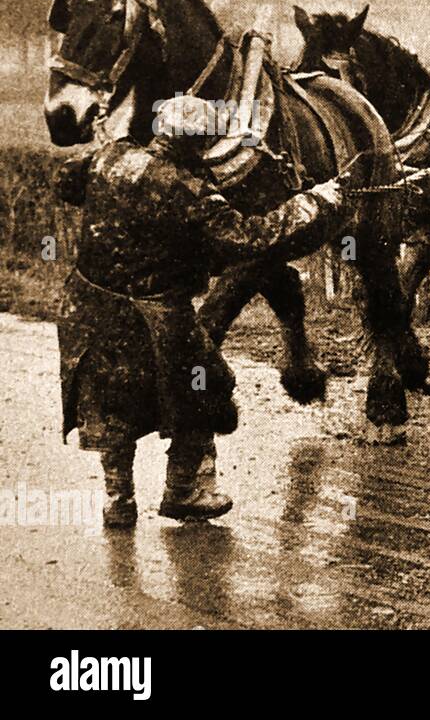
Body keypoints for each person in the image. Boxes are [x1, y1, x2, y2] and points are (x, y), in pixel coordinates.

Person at [56, 96, 345, 527]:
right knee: (206, 386)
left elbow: (66, 180)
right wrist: (315, 202)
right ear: (197, 144)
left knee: (110, 401)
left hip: (88, 309)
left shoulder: (110, 158)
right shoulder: (186, 190)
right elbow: (252, 237)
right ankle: (185, 491)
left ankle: (118, 500)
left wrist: (108, 147)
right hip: (155, 316)